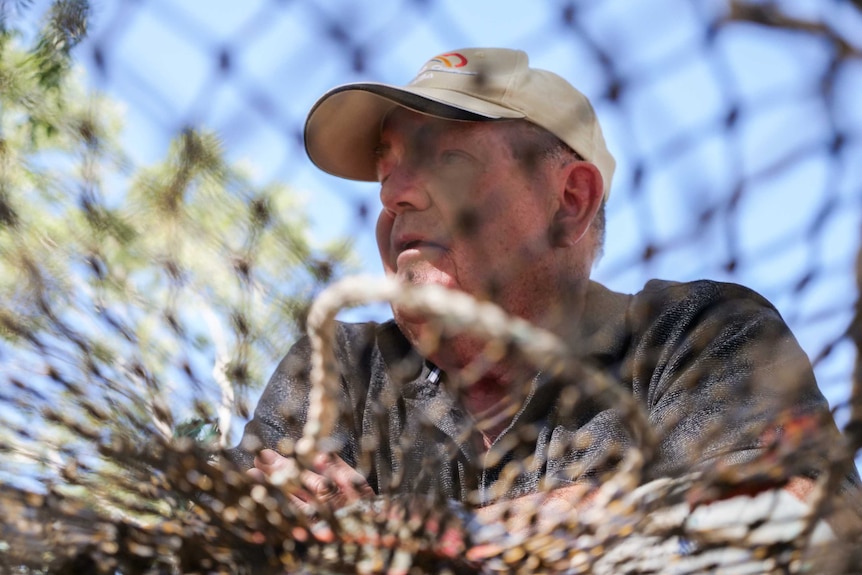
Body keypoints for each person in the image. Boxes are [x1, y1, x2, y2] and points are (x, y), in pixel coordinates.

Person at [226, 48, 859, 536]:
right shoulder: (341, 369)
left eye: (448, 161)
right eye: (388, 169)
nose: (395, 195)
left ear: (570, 201)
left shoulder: (695, 335)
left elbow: (789, 515)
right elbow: (244, 534)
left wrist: (410, 538)